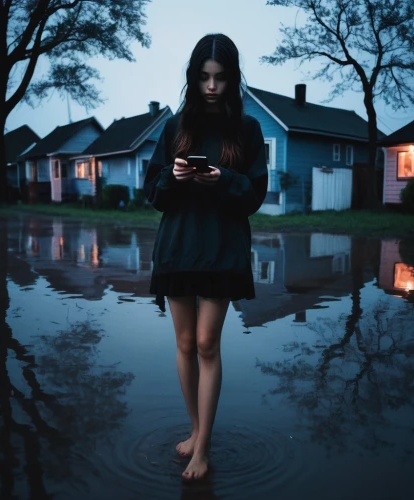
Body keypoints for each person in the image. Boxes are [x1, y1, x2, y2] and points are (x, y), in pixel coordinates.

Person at [143, 33, 268, 481]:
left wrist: (225, 179)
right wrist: (175, 177)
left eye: (219, 78)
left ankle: (204, 448)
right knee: (182, 344)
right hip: (177, 247)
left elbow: (254, 194)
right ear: (194, 79)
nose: (211, 86)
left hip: (221, 249)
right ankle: (195, 431)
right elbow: (153, 195)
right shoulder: (175, 128)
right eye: (203, 77)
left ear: (232, 79)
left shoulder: (248, 130)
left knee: (206, 343)